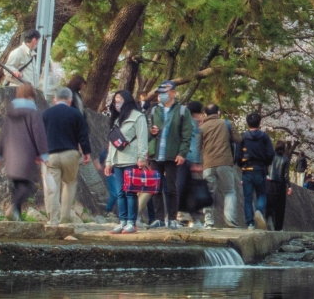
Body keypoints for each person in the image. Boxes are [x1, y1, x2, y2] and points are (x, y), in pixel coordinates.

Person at [0, 85, 48, 221]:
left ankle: (17, 216)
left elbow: (3, 134)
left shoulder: (10, 113)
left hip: (10, 155)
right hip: (26, 154)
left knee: (17, 185)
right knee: (27, 185)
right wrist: (44, 154)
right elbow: (39, 134)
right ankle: (14, 209)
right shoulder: (34, 113)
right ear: (30, 96)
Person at [38, 86, 92, 225]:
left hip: (51, 156)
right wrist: (87, 152)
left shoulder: (46, 114)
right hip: (70, 154)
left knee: (51, 187)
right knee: (70, 183)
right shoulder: (75, 114)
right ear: (70, 99)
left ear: (55, 99)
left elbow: (40, 136)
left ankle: (53, 220)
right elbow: (83, 136)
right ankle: (64, 218)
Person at [147, 83, 194, 228]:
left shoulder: (182, 111)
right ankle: (159, 218)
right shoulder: (154, 110)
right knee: (155, 187)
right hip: (156, 154)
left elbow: (187, 135)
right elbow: (147, 128)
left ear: (173, 93)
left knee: (171, 187)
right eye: (160, 93)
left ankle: (172, 218)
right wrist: (151, 131)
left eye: (164, 92)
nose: (161, 95)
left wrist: (182, 153)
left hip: (172, 154)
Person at [102, 90, 149, 232]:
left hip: (131, 160)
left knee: (130, 192)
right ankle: (122, 221)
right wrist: (109, 162)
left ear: (127, 101)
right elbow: (112, 143)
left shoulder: (138, 117)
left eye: (119, 100)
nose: (116, 103)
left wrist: (142, 158)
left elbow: (142, 138)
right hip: (118, 161)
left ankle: (131, 222)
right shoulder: (117, 120)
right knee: (120, 192)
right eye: (115, 100)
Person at [195, 102, 239, 228]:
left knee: (209, 193)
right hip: (225, 163)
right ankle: (230, 219)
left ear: (205, 114)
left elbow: (197, 146)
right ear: (218, 112)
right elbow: (238, 139)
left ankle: (208, 223)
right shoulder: (227, 124)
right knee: (230, 190)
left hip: (208, 164)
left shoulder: (202, 127)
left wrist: (198, 163)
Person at [235, 112, 274, 229]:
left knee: (248, 198)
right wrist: (265, 164)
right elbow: (270, 154)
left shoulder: (243, 137)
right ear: (260, 123)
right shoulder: (265, 137)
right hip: (260, 169)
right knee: (262, 194)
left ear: (247, 123)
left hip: (247, 170)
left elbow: (238, 155)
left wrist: (242, 164)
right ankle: (258, 210)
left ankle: (250, 224)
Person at [264, 136, 293, 232]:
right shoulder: (285, 159)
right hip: (280, 186)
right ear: (284, 149)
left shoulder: (270, 156)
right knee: (280, 209)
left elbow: (266, 170)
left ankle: (267, 221)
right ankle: (278, 228)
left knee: (269, 205)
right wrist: (289, 187)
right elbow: (285, 175)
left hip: (269, 184)